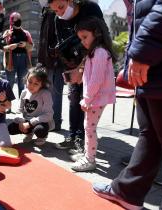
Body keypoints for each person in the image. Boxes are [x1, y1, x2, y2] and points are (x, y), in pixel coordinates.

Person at [92, 1, 162, 209]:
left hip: (159, 61)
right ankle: (127, 191)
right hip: (155, 67)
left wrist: (143, 51)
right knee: (151, 132)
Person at [46, 0, 104, 153]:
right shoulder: (57, 19)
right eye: (55, 11)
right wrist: (71, 66)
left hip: (92, 62)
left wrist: (82, 67)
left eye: (61, 7)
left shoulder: (91, 8)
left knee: (86, 100)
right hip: (73, 64)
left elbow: (100, 38)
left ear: (70, 1)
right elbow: (64, 46)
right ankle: (72, 136)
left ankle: (82, 139)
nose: (59, 13)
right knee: (73, 98)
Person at [68, 17, 116, 172]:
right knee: (89, 127)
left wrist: (86, 99)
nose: (83, 41)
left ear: (96, 33)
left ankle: (90, 159)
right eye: (80, 38)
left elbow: (96, 80)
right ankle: (88, 154)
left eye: (85, 37)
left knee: (89, 128)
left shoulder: (100, 52)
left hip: (95, 98)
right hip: (95, 97)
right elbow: (91, 77)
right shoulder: (95, 52)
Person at [8, 65, 54, 146]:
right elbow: (20, 110)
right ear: (26, 80)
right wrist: (21, 122)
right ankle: (29, 133)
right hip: (27, 120)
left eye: (36, 84)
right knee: (10, 128)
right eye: (30, 81)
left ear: (42, 85)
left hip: (40, 122)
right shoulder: (24, 92)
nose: (31, 85)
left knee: (40, 130)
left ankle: (42, 136)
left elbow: (48, 115)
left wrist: (30, 124)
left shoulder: (45, 94)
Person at [37, 4, 64, 131]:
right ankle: (51, 120)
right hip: (48, 60)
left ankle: (55, 122)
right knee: (49, 92)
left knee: (55, 93)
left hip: (55, 60)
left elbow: (57, 37)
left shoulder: (55, 11)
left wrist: (52, 56)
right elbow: (43, 40)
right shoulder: (46, 12)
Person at [3, 12, 33, 97]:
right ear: (11, 21)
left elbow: (31, 46)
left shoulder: (26, 33)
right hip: (11, 60)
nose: (18, 21)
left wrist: (25, 45)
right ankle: (8, 106)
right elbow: (1, 47)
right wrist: (9, 46)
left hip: (24, 60)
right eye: (15, 19)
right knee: (10, 83)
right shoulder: (7, 33)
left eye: (19, 19)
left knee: (22, 84)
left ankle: (22, 106)